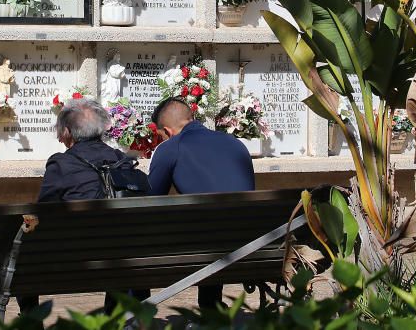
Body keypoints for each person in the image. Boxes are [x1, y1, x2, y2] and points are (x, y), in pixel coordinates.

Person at [17, 98, 149, 314]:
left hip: (74, 265)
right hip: (126, 262)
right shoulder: (124, 162)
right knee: (119, 243)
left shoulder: (61, 164)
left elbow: (43, 213)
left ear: (67, 132)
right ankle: (112, 320)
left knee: (21, 260)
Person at [148, 97, 255, 310]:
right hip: (251, 247)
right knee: (215, 223)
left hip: (202, 250)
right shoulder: (235, 143)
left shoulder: (172, 148)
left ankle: (134, 311)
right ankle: (210, 307)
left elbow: (147, 201)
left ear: (167, 132)